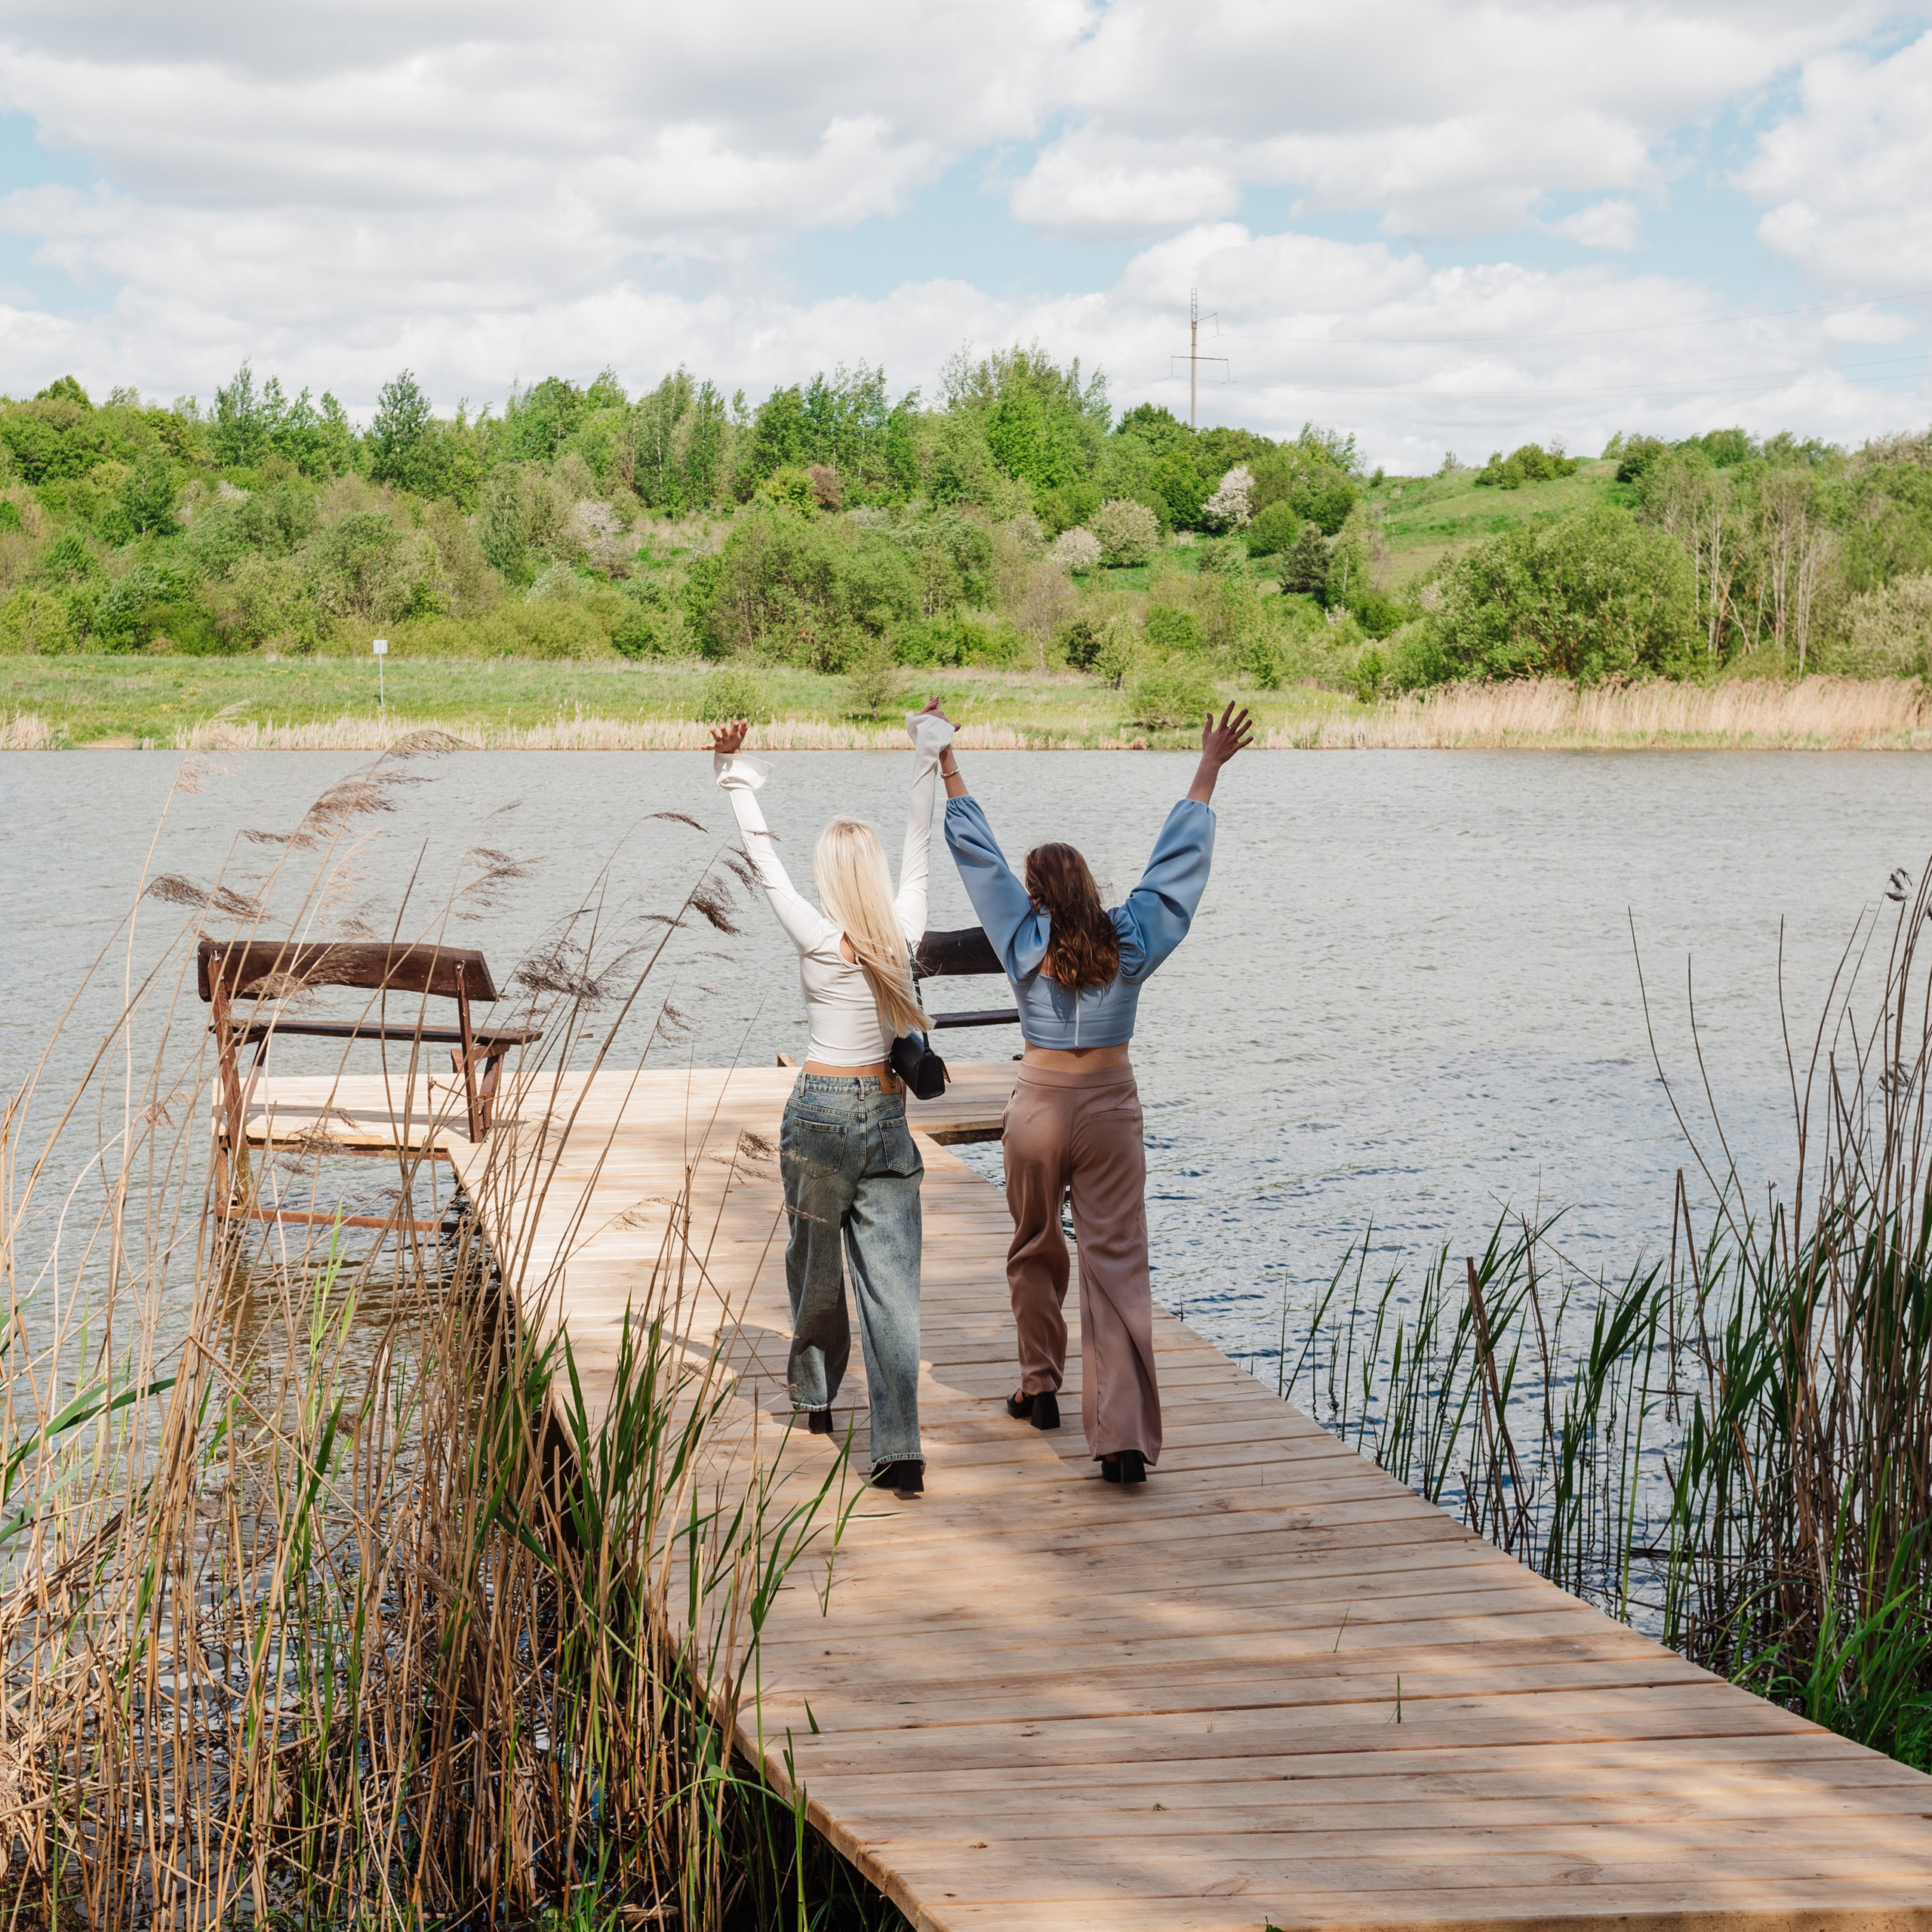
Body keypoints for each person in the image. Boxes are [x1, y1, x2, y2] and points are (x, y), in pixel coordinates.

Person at [940, 704, 1254, 1485]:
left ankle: (1038, 1387)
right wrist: (1208, 766)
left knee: (1034, 1246)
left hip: (1039, 1106)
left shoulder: (1021, 936)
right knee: (1116, 1263)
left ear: (1037, 890)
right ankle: (1118, 1442)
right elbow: (1174, 872)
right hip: (1111, 1107)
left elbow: (978, 860)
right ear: (1087, 884)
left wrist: (944, 760)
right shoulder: (1131, 939)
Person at [709, 702, 954, 1498]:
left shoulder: (816, 935)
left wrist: (732, 774)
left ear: (829, 876)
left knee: (814, 1266)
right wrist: (927, 747)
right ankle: (898, 1449)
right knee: (891, 1285)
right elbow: (920, 846)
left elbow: (761, 859)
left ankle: (815, 1398)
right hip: (884, 1117)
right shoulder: (904, 928)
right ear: (873, 876)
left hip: (816, 1109)